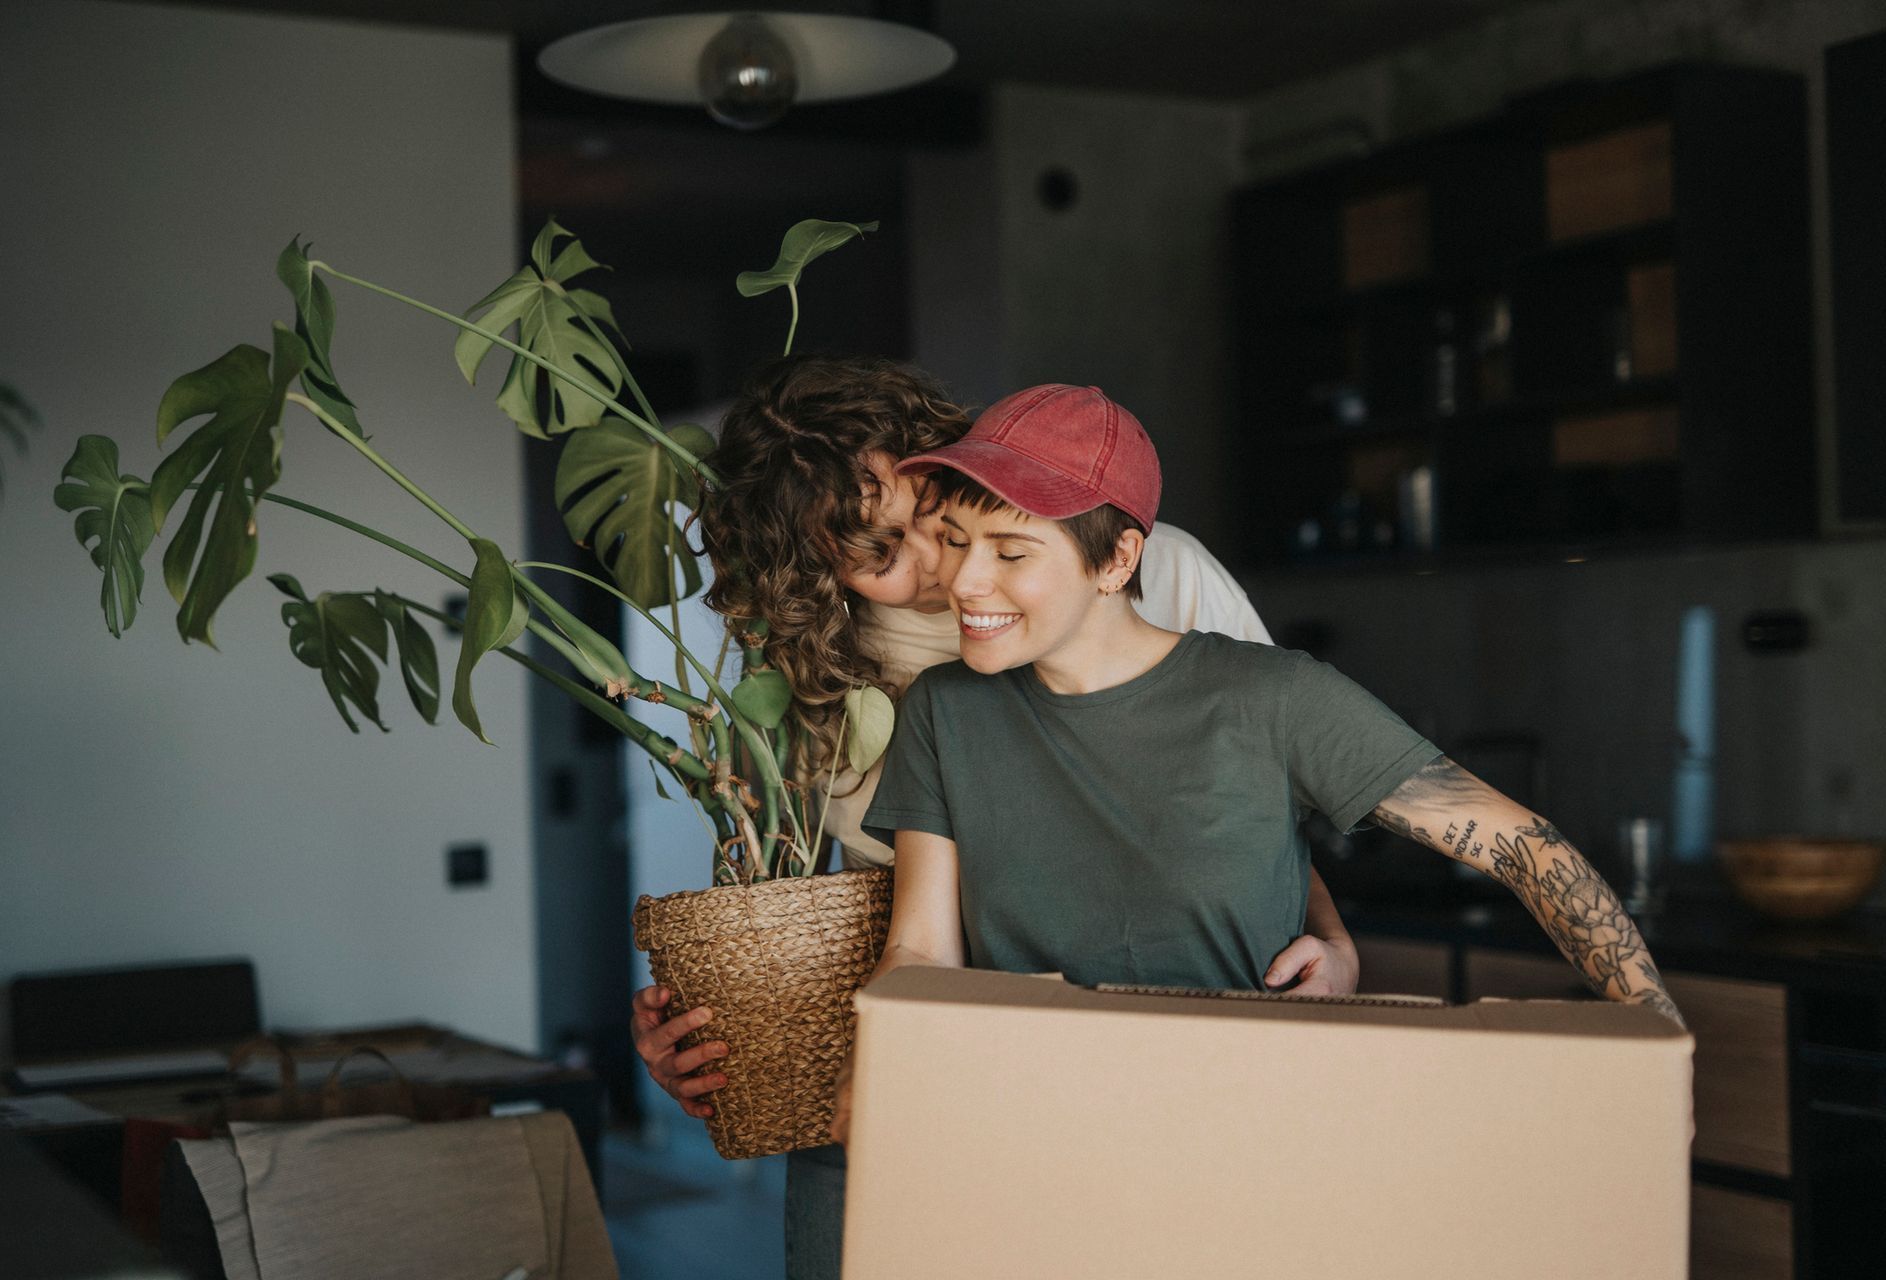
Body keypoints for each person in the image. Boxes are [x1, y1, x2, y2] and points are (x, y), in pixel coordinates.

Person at [627, 356, 1362, 1279]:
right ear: (817, 571)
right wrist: (697, 1023)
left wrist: (1332, 939)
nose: (943, 567)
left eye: (929, 509)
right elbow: (787, 899)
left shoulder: (1150, 566)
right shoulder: (814, 669)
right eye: (879, 557)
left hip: (1135, 1072)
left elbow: (1261, 806)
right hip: (892, 1079)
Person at [833, 382, 1684, 1152]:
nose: (966, 583)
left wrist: (1658, 1037)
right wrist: (870, 1067)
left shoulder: (1276, 698)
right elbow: (920, 946)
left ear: (1117, 560)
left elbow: (1524, 847)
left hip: (1252, 1136)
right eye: (955, 540)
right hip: (1033, 1140)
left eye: (1011, 553)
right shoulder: (947, 710)